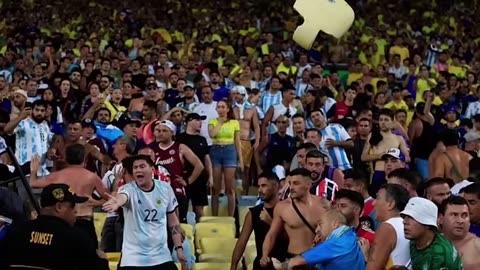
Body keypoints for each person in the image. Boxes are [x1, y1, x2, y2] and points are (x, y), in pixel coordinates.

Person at [102, 155, 187, 270]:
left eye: (142, 166)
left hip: (161, 257)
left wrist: (179, 249)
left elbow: (173, 221)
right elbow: (122, 197)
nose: (138, 170)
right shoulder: (128, 189)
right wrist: (117, 202)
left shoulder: (165, 188)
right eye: (135, 167)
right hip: (133, 260)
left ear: (152, 170)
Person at [0, 183, 108, 270]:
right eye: (72, 206)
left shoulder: (15, 231)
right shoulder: (75, 237)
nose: (75, 211)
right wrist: (102, 260)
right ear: (59, 207)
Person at [30, 143, 109, 245]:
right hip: (84, 220)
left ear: (66, 158)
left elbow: (33, 183)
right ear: (84, 159)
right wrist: (97, 203)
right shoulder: (92, 176)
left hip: (64, 222)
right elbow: (110, 198)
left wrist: (34, 171)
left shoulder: (57, 176)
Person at [261, 168, 329, 270]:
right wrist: (264, 256)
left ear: (308, 184)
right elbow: (271, 235)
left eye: (296, 183)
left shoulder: (323, 205)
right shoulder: (282, 207)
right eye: (290, 183)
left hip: (318, 259)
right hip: (293, 258)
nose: (291, 187)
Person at [230, 172, 288, 270]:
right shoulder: (254, 213)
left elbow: (290, 237)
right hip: (261, 265)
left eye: (264, 186)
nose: (260, 190)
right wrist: (233, 266)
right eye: (259, 186)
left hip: (283, 264)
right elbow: (241, 243)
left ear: (275, 186)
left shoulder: (288, 210)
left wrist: (270, 222)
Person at [272, 210, 366, 270]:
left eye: (320, 224)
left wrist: (284, 265)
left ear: (335, 224)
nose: (316, 230)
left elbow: (299, 261)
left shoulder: (342, 241)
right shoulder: (351, 238)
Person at [151, 119, 204, 223]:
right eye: (158, 130)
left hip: (177, 191)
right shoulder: (152, 150)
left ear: (172, 132)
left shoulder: (180, 148)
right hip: (158, 192)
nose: (160, 133)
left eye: (164, 131)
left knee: (179, 223)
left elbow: (199, 165)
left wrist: (188, 181)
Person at [401, 197, 463, 269]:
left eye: (411, 217)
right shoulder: (414, 241)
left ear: (427, 225)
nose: (404, 221)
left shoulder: (440, 254)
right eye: (405, 217)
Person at [362, 109, 409, 196]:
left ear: (392, 121)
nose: (383, 122)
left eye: (386, 120)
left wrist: (396, 157)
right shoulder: (372, 136)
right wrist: (380, 156)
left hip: (395, 174)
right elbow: (363, 157)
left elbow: (408, 158)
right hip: (379, 172)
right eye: (381, 120)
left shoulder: (398, 138)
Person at [176, 113, 214, 222]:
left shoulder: (202, 140)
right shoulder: (179, 138)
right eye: (197, 120)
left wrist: (210, 176)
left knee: (199, 210)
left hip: (200, 178)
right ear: (189, 121)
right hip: (183, 177)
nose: (200, 123)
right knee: (181, 209)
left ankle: (200, 235)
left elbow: (207, 160)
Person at [208, 98, 243, 216]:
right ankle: (214, 215)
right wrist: (221, 122)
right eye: (219, 107)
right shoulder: (213, 121)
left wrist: (240, 160)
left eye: (223, 107)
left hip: (229, 151)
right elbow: (212, 134)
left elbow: (237, 142)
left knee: (230, 187)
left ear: (228, 109)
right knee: (215, 188)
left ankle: (231, 216)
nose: (221, 109)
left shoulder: (234, 122)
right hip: (216, 150)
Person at [366, 184, 411, 270]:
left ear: (390, 204)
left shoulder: (387, 228)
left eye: (378, 198)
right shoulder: (406, 225)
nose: (373, 203)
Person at [440, 195, 480, 270]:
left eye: (464, 215)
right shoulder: (432, 243)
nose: (460, 221)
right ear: (441, 218)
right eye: (454, 215)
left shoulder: (477, 245)